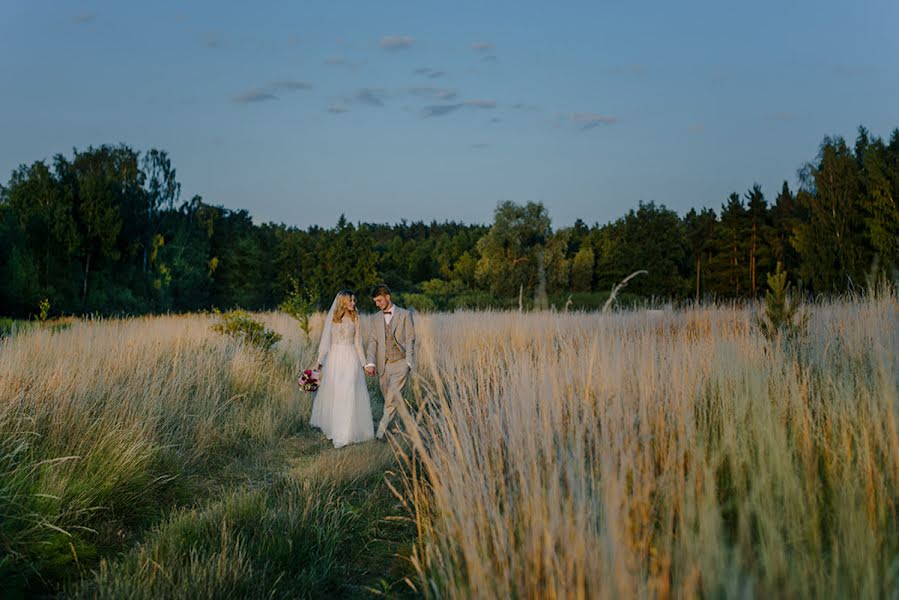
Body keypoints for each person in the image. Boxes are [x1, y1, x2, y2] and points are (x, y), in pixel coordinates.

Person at [309, 290, 374, 448]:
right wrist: (318, 364)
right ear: (343, 302)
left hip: (351, 358)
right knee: (337, 394)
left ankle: (345, 434)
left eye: (354, 300)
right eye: (350, 300)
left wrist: (365, 364)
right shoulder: (333, 318)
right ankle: (336, 429)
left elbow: (358, 343)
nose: (353, 303)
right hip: (334, 359)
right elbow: (326, 343)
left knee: (349, 393)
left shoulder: (356, 318)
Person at [364, 284, 415, 440]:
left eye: (379, 300)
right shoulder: (375, 318)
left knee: (391, 400)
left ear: (387, 297)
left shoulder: (405, 315)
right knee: (390, 401)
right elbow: (373, 342)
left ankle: (380, 434)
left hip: (401, 363)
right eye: (375, 302)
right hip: (383, 365)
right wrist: (370, 363)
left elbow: (411, 339)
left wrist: (409, 364)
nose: (377, 304)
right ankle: (400, 429)